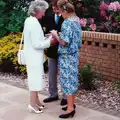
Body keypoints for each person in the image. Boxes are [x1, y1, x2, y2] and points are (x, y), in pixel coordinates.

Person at [23, 0, 56, 114]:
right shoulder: (34, 23)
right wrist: (50, 41)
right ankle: (32, 104)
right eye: (43, 11)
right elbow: (37, 44)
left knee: (35, 79)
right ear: (38, 10)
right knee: (35, 80)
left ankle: (36, 101)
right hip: (34, 57)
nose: (44, 14)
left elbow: (35, 39)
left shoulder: (30, 20)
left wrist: (46, 37)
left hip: (32, 56)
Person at [51, 0, 82, 118]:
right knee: (72, 81)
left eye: (60, 11)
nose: (60, 14)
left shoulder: (67, 22)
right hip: (74, 56)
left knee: (67, 83)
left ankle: (70, 109)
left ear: (64, 11)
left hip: (66, 57)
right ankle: (72, 104)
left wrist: (55, 36)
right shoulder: (76, 21)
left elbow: (64, 42)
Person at [41, 1, 67, 106]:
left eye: (56, 7)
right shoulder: (48, 17)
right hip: (51, 50)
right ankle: (53, 94)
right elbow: (43, 31)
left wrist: (57, 37)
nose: (54, 9)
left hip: (63, 51)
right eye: (53, 7)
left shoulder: (66, 18)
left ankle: (65, 97)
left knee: (64, 75)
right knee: (51, 74)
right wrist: (46, 37)